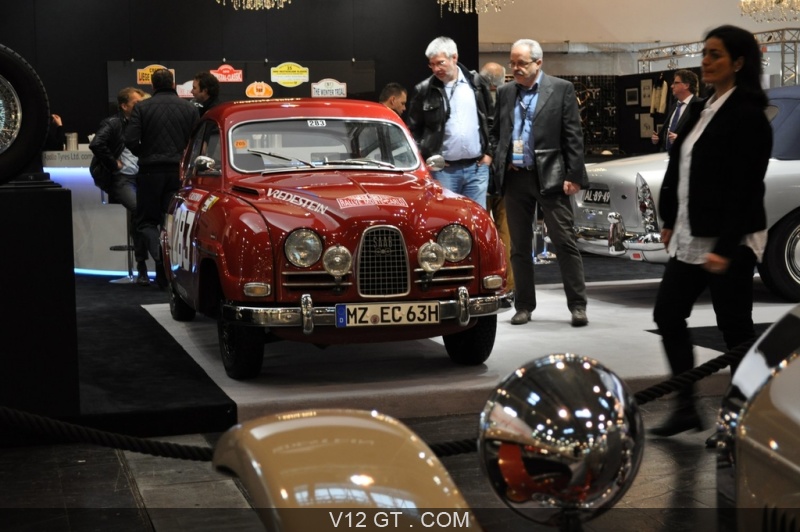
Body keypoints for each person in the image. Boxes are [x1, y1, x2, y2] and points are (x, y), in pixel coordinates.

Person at [648, 25, 772, 437]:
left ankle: (743, 420)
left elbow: (746, 188)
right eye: (705, 52)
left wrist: (725, 246)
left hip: (729, 239)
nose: (705, 60)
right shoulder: (702, 107)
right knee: (668, 314)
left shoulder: (749, 115)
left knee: (735, 329)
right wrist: (670, 219)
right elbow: (679, 166)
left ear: (738, 62)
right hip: (691, 232)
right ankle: (686, 407)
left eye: (715, 54)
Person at [489, 38, 588, 327]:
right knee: (519, 246)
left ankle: (578, 305)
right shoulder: (506, 92)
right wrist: (501, 157)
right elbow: (496, 132)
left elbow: (573, 135)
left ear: (538, 62)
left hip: (551, 176)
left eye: (521, 63)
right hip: (515, 178)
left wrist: (574, 175)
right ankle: (523, 306)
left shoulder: (561, 89)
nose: (515, 68)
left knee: (564, 241)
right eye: (512, 63)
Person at [126, 68, 198, 289]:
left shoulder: (142, 107)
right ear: (174, 84)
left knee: (147, 222)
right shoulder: (189, 108)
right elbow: (197, 143)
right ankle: (169, 272)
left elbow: (130, 140)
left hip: (150, 172)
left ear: (153, 86)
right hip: (178, 173)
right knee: (172, 222)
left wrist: (146, 154)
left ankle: (160, 258)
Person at [407, 36, 493, 209]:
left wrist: (490, 153)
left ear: (454, 57)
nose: (435, 69)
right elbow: (413, 131)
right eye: (431, 64)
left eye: (440, 63)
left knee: (477, 218)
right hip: (443, 171)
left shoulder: (476, 83)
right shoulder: (423, 90)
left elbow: (491, 120)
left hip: (477, 168)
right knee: (445, 217)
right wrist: (428, 156)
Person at [89, 87, 150, 285]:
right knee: (140, 212)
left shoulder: (143, 123)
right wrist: (113, 163)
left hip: (142, 177)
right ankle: (148, 265)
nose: (140, 106)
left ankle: (143, 267)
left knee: (140, 218)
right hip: (122, 179)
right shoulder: (113, 123)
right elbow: (97, 144)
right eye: (136, 103)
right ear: (124, 106)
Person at [480, 61, 514, 294]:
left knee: (481, 232)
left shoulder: (476, 102)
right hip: (504, 175)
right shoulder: (510, 102)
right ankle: (508, 285)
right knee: (506, 233)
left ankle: (485, 282)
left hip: (480, 173)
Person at [650, 69, 699, 152]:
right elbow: (668, 130)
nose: (672, 86)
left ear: (686, 85)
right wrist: (657, 139)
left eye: (676, 83)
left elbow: (703, 136)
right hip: (667, 154)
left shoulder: (699, 105)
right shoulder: (674, 106)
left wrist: (681, 139)